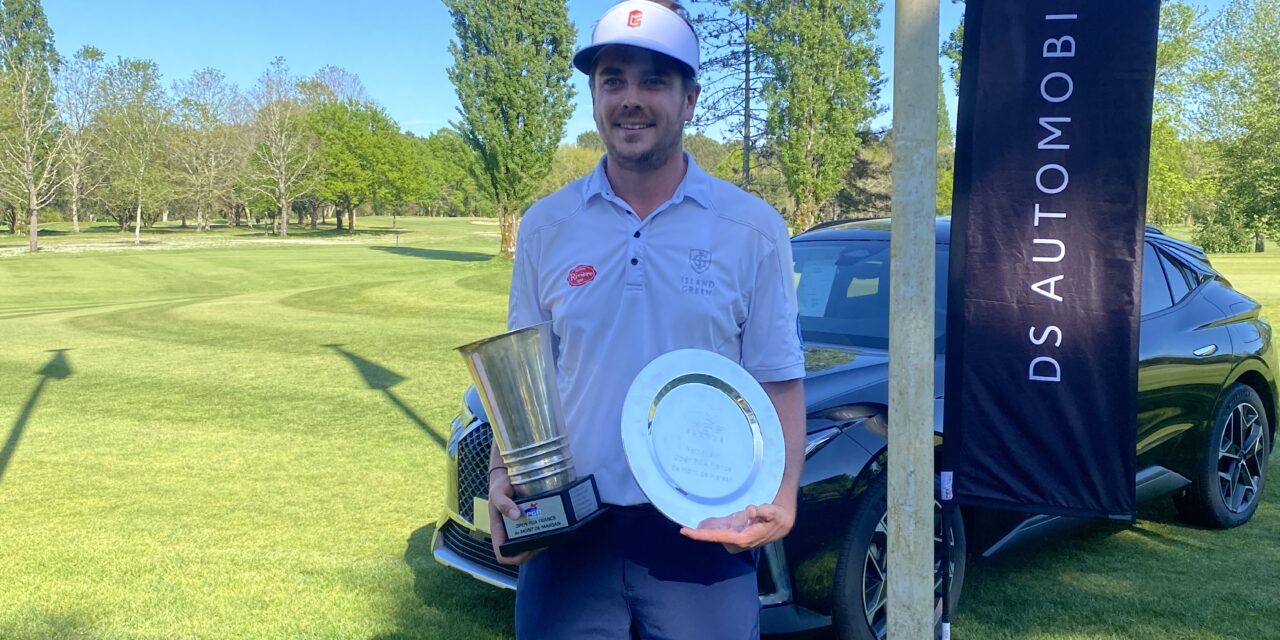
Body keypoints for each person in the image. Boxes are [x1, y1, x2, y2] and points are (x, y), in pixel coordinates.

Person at [486, 1, 806, 637]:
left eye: (654, 80)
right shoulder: (547, 226)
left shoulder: (752, 229)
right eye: (613, 79)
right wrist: (502, 475)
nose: (631, 98)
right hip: (572, 525)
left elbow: (778, 380)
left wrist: (785, 494)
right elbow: (527, 371)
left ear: (689, 99)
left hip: (704, 528)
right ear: (595, 97)